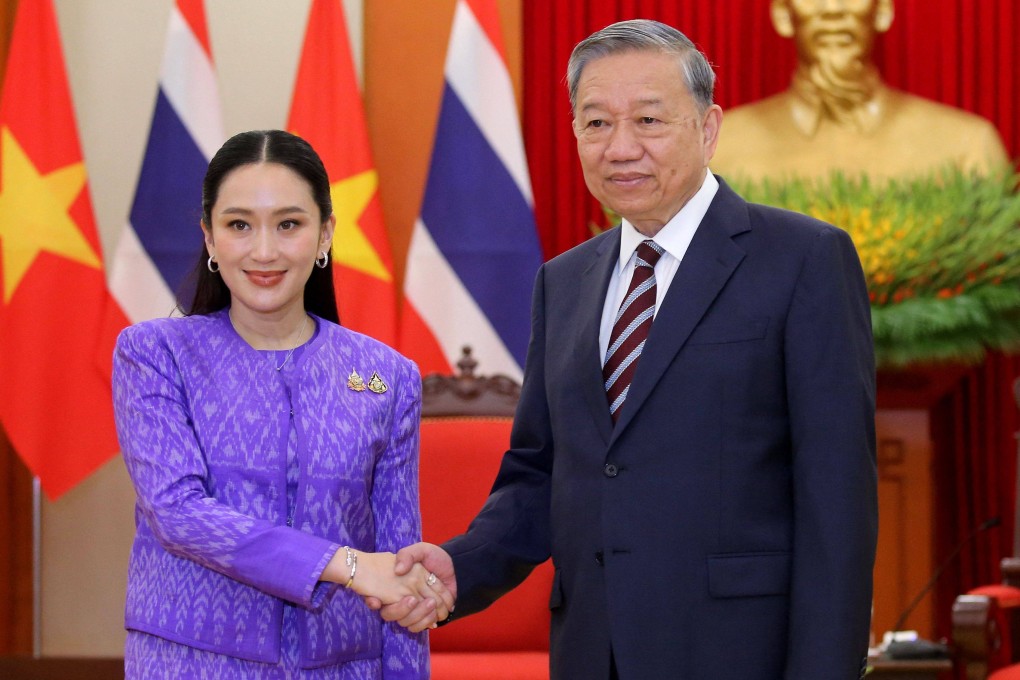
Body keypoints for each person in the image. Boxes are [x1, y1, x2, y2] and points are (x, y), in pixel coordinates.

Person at [370, 19, 878, 680]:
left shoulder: (803, 260)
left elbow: (836, 501)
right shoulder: (565, 282)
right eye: (596, 123)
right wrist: (459, 566)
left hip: (739, 654)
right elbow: (541, 476)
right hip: (592, 651)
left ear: (708, 128)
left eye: (649, 120)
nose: (621, 148)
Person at [112, 130, 451, 679]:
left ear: (325, 235)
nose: (263, 250)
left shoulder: (390, 377)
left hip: (344, 666)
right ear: (209, 237)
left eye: (288, 224)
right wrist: (346, 565)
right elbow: (177, 512)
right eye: (239, 225)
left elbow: (398, 571)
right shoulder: (154, 354)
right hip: (191, 663)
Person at [711, 0, 1010, 183]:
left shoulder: (967, 146)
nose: (832, 10)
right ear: (783, 14)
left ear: (882, 9)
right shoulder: (718, 148)